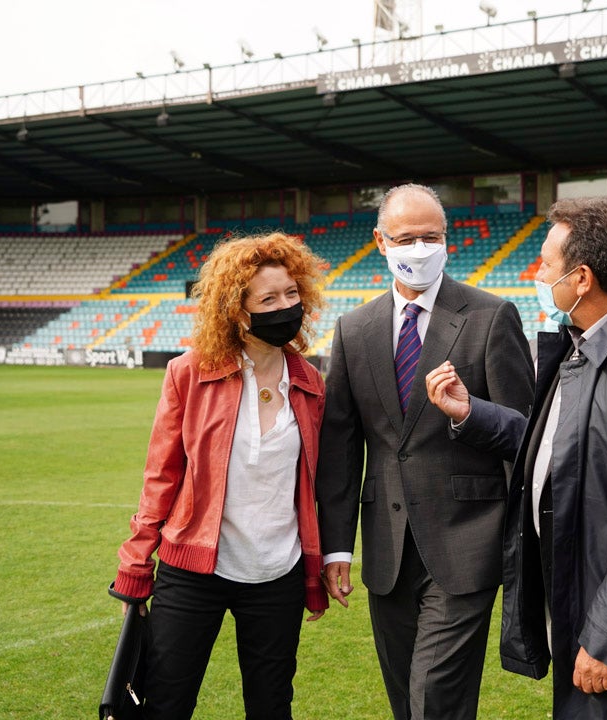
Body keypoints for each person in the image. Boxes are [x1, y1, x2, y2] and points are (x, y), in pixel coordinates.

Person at [426, 197, 607, 719]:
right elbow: (566, 451)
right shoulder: (589, 343)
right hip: (586, 597)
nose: (537, 274)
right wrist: (473, 414)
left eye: (546, 264)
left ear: (581, 279)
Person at [315, 183, 534, 720]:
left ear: (447, 239)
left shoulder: (491, 315)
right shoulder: (353, 329)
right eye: (406, 237)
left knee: (435, 697)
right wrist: (337, 548)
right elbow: (341, 450)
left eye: (431, 236)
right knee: (405, 701)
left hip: (468, 541)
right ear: (380, 242)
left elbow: (525, 435)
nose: (420, 248)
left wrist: (468, 414)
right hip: (386, 549)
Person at [110, 232, 330, 719]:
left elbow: (316, 488)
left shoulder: (312, 383)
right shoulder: (187, 373)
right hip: (193, 570)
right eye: (268, 299)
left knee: (272, 707)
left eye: (292, 293)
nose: (286, 307)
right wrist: (135, 567)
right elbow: (160, 478)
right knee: (165, 704)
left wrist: (316, 570)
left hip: (277, 575)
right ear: (236, 310)